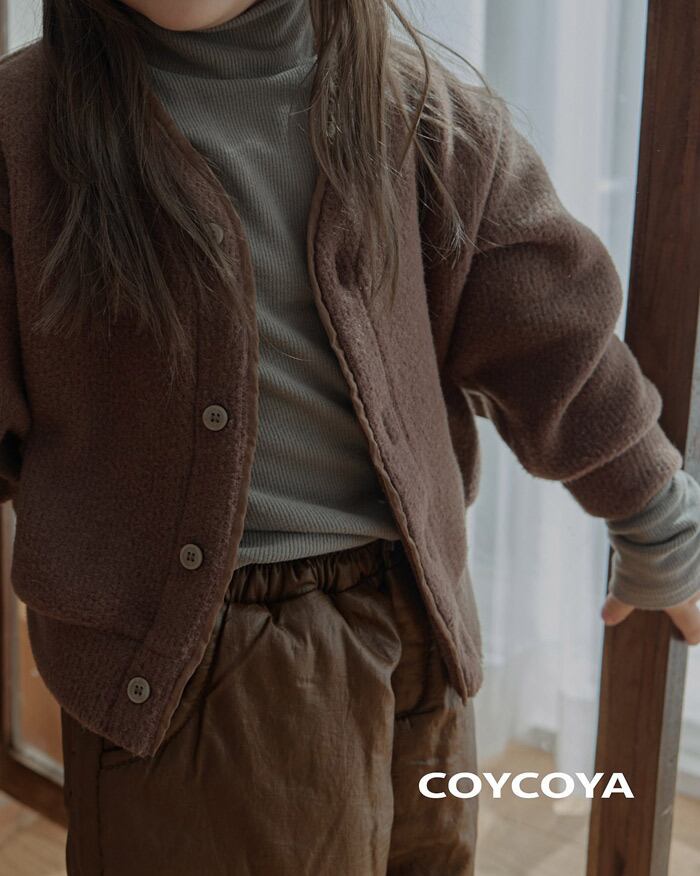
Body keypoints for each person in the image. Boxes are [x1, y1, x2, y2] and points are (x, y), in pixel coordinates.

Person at [0, 0, 698, 873]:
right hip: (192, 665)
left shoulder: (417, 112)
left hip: (420, 624)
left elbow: (552, 336)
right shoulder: (26, 130)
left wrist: (655, 515)